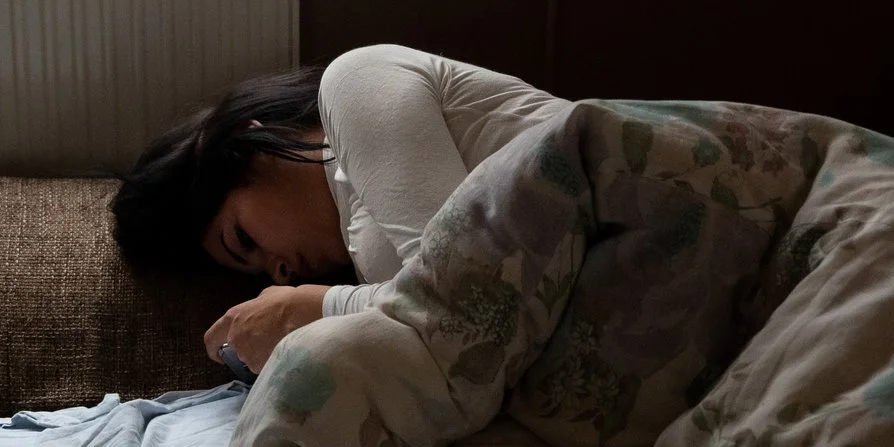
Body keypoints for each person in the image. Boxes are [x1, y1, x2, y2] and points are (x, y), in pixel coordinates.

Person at [112, 43, 570, 373]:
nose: (281, 273)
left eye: (245, 240)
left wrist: (307, 309)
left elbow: (470, 303)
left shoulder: (356, 82)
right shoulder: (365, 260)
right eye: (261, 271)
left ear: (250, 147)